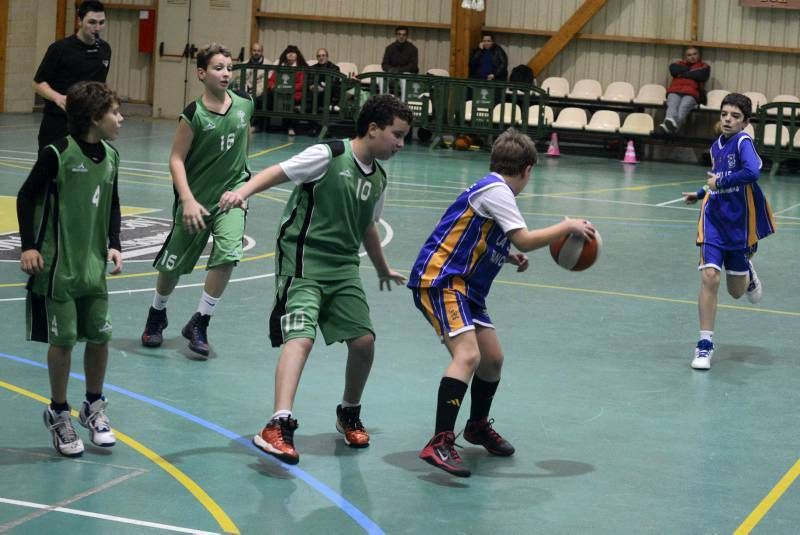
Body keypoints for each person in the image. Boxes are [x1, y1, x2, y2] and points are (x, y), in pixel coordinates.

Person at [218, 94, 413, 465]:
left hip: (343, 269)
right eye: (397, 135)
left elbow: (368, 225)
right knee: (301, 338)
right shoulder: (329, 155)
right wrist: (241, 192)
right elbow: (278, 171)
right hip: (303, 261)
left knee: (364, 342)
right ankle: (277, 424)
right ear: (373, 130)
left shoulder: (380, 178)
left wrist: (382, 267)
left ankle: (349, 412)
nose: (401, 144)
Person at [407, 129, 595, 477]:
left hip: (467, 287)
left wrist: (506, 256)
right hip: (442, 280)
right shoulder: (497, 189)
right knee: (468, 355)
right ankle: (440, 441)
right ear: (527, 170)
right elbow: (524, 236)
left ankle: (476, 426)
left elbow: (482, 235)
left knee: (492, 360)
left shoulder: (494, 192)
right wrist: (565, 224)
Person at [17, 81, 123, 457]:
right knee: (62, 343)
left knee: (100, 336)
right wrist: (29, 245)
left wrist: (114, 243)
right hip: (59, 268)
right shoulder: (57, 153)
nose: (120, 119)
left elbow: (112, 202)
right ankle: (59, 413)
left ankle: (93, 406)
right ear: (95, 118)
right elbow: (26, 195)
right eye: (114, 112)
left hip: (93, 268)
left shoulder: (111, 156)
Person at [140, 43, 253, 358]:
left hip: (230, 198)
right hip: (196, 201)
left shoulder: (245, 105)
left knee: (229, 254)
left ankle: (201, 321)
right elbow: (176, 159)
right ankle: (157, 312)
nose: (226, 73)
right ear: (202, 74)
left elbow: (244, 143)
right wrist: (187, 200)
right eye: (218, 68)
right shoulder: (193, 115)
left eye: (229, 68)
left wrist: (243, 185)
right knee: (172, 265)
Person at [681, 93, 775, 370]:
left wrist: (719, 181)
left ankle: (747, 270)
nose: (727, 119)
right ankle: (704, 344)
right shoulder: (716, 146)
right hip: (713, 219)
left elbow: (753, 172)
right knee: (710, 277)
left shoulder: (744, 142)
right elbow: (714, 180)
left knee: (736, 292)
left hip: (738, 223)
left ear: (745, 122)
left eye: (735, 116)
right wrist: (700, 193)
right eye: (724, 114)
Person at [33, 1, 111, 150]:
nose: (97, 28)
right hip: (58, 123)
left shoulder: (105, 50)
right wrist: (58, 97)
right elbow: (38, 83)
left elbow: (100, 84)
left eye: (101, 23)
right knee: (53, 171)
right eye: (92, 22)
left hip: (89, 125)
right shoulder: (59, 49)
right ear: (80, 21)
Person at [658, 46, 710, 135]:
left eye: (694, 54)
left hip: (692, 93)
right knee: (672, 107)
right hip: (674, 91)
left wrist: (682, 74)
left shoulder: (704, 66)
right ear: (685, 57)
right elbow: (673, 70)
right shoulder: (678, 64)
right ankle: (671, 129)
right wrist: (692, 72)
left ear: (699, 55)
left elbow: (701, 75)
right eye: (689, 55)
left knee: (683, 109)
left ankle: (667, 129)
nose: (692, 57)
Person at [267, 45, 308, 136]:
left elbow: (301, 84)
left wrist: (288, 88)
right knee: (264, 98)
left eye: (293, 53)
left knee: (289, 102)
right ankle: (260, 126)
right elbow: (271, 80)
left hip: (294, 94)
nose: (291, 54)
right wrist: (273, 86)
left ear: (297, 55)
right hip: (278, 93)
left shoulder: (301, 67)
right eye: (289, 52)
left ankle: (291, 127)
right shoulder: (281, 66)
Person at [245, 42, 267, 132]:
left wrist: (257, 91)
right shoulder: (244, 63)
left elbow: (267, 81)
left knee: (259, 99)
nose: (256, 52)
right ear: (251, 51)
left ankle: (255, 125)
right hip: (247, 91)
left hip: (261, 91)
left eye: (259, 50)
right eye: (254, 50)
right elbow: (241, 80)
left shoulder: (268, 64)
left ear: (262, 52)